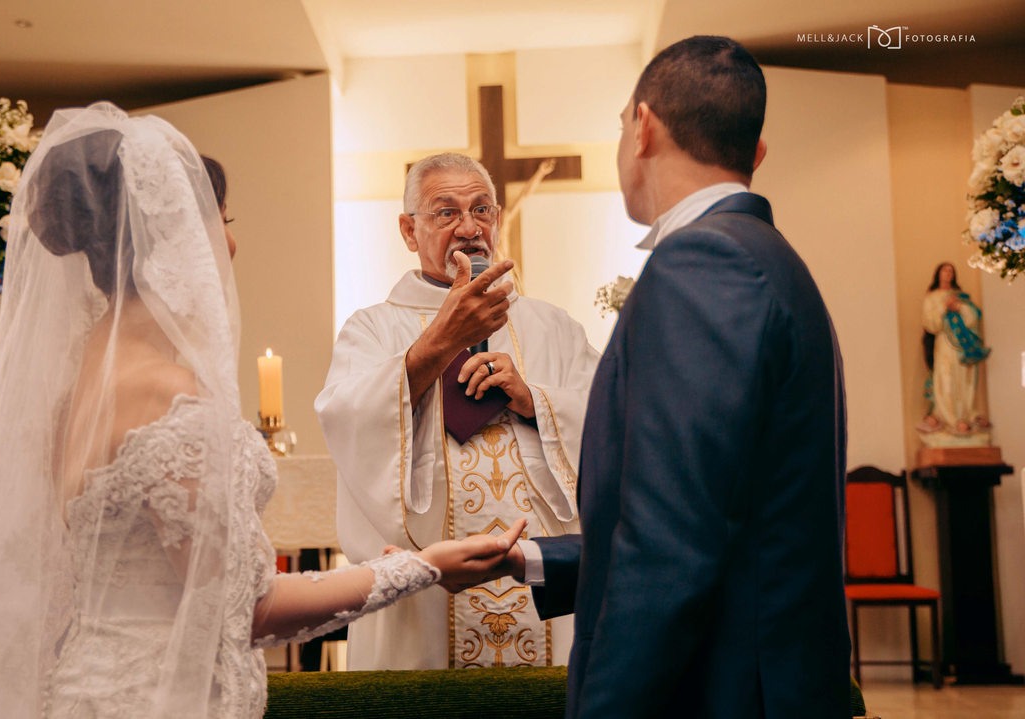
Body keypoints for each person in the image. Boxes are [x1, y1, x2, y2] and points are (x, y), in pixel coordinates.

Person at [0, 103, 525, 719]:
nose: (232, 243)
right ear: (176, 240)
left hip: (91, 685)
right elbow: (249, 608)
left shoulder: (77, 382)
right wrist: (423, 566)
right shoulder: (167, 393)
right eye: (223, 221)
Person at [484, 36, 851, 717]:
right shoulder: (765, 256)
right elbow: (723, 509)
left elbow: (672, 541)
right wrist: (535, 557)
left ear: (643, 127)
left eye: (621, 124)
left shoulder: (703, 262)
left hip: (718, 692)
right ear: (756, 153)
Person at [315, 152, 600, 669]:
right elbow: (347, 420)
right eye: (446, 212)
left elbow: (611, 423)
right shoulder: (372, 329)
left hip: (541, 591)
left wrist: (535, 400)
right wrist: (439, 344)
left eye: (481, 209)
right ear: (409, 230)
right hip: (422, 604)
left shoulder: (553, 327)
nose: (469, 228)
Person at [919, 261, 990, 435]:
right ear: (938, 274)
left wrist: (958, 307)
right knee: (946, 378)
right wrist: (944, 306)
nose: (948, 273)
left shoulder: (961, 296)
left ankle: (966, 415)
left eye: (951, 271)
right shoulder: (932, 297)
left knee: (965, 379)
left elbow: (973, 318)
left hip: (963, 344)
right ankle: (948, 417)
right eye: (945, 270)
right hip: (945, 343)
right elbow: (930, 323)